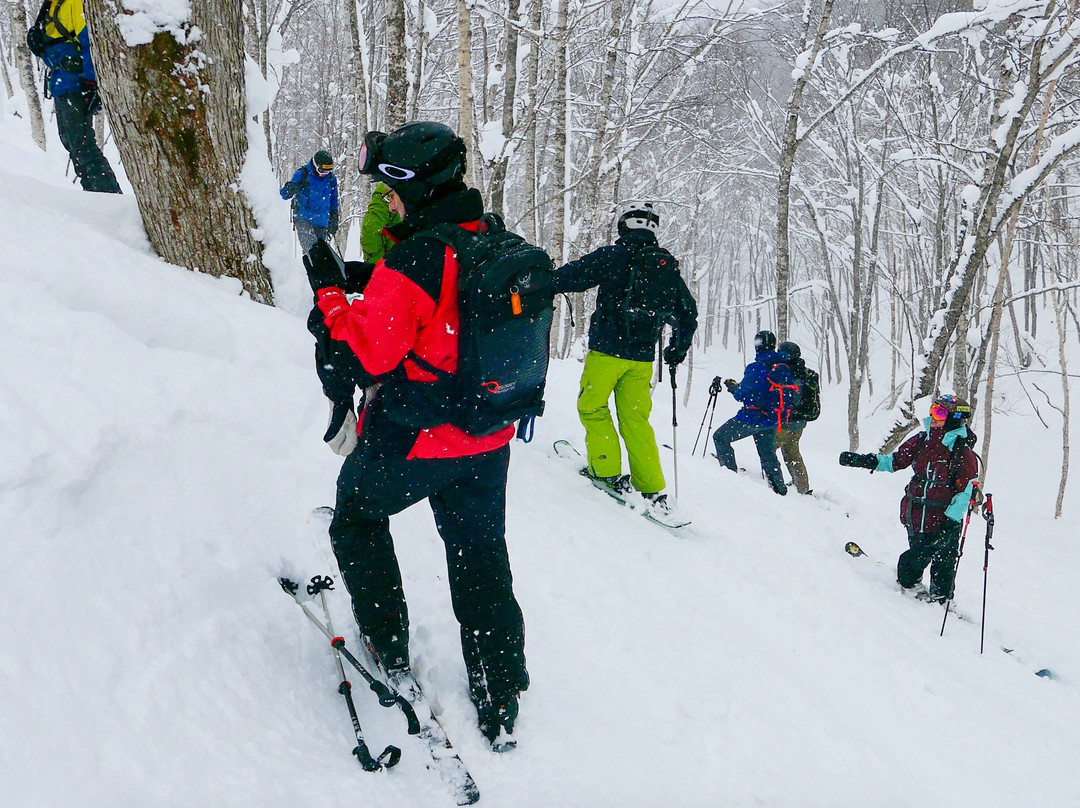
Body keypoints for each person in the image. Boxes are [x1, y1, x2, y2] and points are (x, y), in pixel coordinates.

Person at [303, 121, 528, 749]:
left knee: (356, 516)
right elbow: (442, 301)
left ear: (416, 188)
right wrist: (367, 278)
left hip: (419, 436)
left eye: (391, 190)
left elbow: (364, 353)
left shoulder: (417, 257)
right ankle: (501, 684)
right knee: (480, 551)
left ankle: (387, 644)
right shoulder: (488, 236)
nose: (388, 201)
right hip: (488, 435)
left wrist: (329, 294)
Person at [553, 201, 698, 514]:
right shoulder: (665, 266)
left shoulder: (613, 255)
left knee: (592, 407)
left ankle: (606, 471)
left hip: (606, 353)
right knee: (636, 420)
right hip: (643, 359)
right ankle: (651, 485)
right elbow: (688, 313)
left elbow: (569, 277)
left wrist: (539, 281)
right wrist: (676, 350)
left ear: (624, 226)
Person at [838, 394, 979, 602]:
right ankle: (911, 585)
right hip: (917, 512)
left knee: (944, 561)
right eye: (933, 410)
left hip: (944, 517)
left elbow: (966, 490)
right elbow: (895, 461)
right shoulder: (923, 439)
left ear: (953, 418)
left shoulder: (961, 451)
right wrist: (863, 461)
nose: (933, 416)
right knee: (914, 559)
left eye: (940, 412)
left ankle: (942, 600)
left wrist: (951, 521)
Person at [28, 0, 121, 193]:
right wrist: (40, 45)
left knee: (82, 145)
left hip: (77, 84)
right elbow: (60, 46)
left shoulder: (75, 2)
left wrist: (91, 84)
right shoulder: (52, 5)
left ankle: (108, 197)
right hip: (63, 84)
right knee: (72, 143)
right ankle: (96, 196)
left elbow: (90, 43)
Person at [712, 330, 793, 495]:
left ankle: (729, 477)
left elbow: (743, 394)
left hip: (752, 418)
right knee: (768, 455)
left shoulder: (756, 367)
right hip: (772, 419)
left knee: (720, 437)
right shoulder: (783, 366)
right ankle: (780, 490)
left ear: (758, 345)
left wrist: (734, 388)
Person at [774, 341, 816, 495]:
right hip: (800, 422)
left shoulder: (785, 374)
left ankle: (773, 481)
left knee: (768, 449)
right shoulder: (805, 373)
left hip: (786, 421)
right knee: (792, 451)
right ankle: (802, 487)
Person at [281, 150, 339, 254]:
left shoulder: (331, 178)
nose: (324, 174)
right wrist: (290, 189)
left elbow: (333, 200)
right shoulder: (302, 175)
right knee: (311, 251)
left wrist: (334, 217)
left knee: (322, 253)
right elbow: (283, 195)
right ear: (316, 165)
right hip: (304, 219)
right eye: (322, 171)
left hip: (322, 222)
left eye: (327, 171)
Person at [359, 181, 402, 262]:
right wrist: (377, 264)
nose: (392, 207)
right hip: (396, 258)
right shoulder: (387, 188)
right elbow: (371, 226)